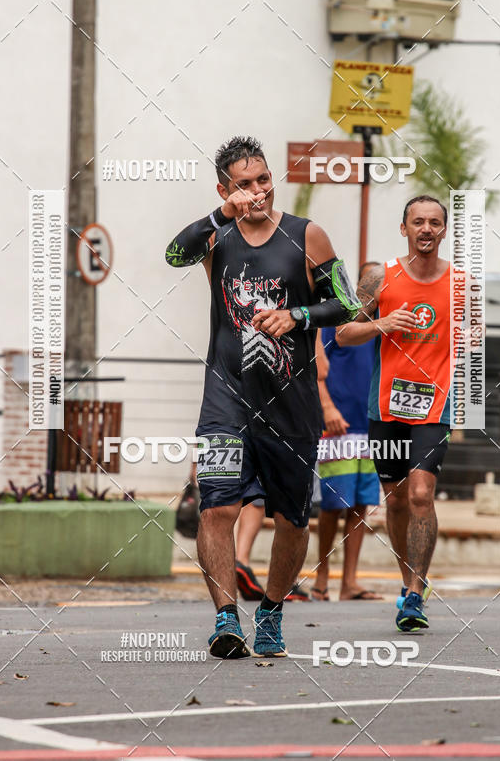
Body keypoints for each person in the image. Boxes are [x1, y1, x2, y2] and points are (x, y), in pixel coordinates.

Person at [165, 136, 361, 659]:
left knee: (293, 521)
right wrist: (217, 214)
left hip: (290, 405)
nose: (258, 192)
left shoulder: (306, 236)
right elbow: (171, 254)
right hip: (225, 401)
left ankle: (271, 612)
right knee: (216, 509)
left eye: (263, 180)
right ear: (226, 189)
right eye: (244, 185)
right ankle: (226, 619)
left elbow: (347, 304)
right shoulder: (217, 236)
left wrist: (296, 316)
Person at [336, 195, 451, 632]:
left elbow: (472, 348)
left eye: (434, 223)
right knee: (397, 499)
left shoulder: (461, 283)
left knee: (422, 493)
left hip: (434, 405)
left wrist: (467, 405)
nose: (426, 229)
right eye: (418, 222)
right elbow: (345, 334)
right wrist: (381, 323)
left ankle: (417, 593)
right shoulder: (380, 276)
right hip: (386, 405)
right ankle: (408, 585)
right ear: (404, 229)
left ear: (444, 231)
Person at [312, 262, 383, 602]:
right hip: (337, 426)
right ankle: (321, 576)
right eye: (372, 281)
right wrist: (327, 408)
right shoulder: (338, 317)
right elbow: (316, 367)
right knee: (332, 503)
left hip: (370, 424)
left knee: (361, 504)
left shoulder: (385, 323)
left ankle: (349, 581)